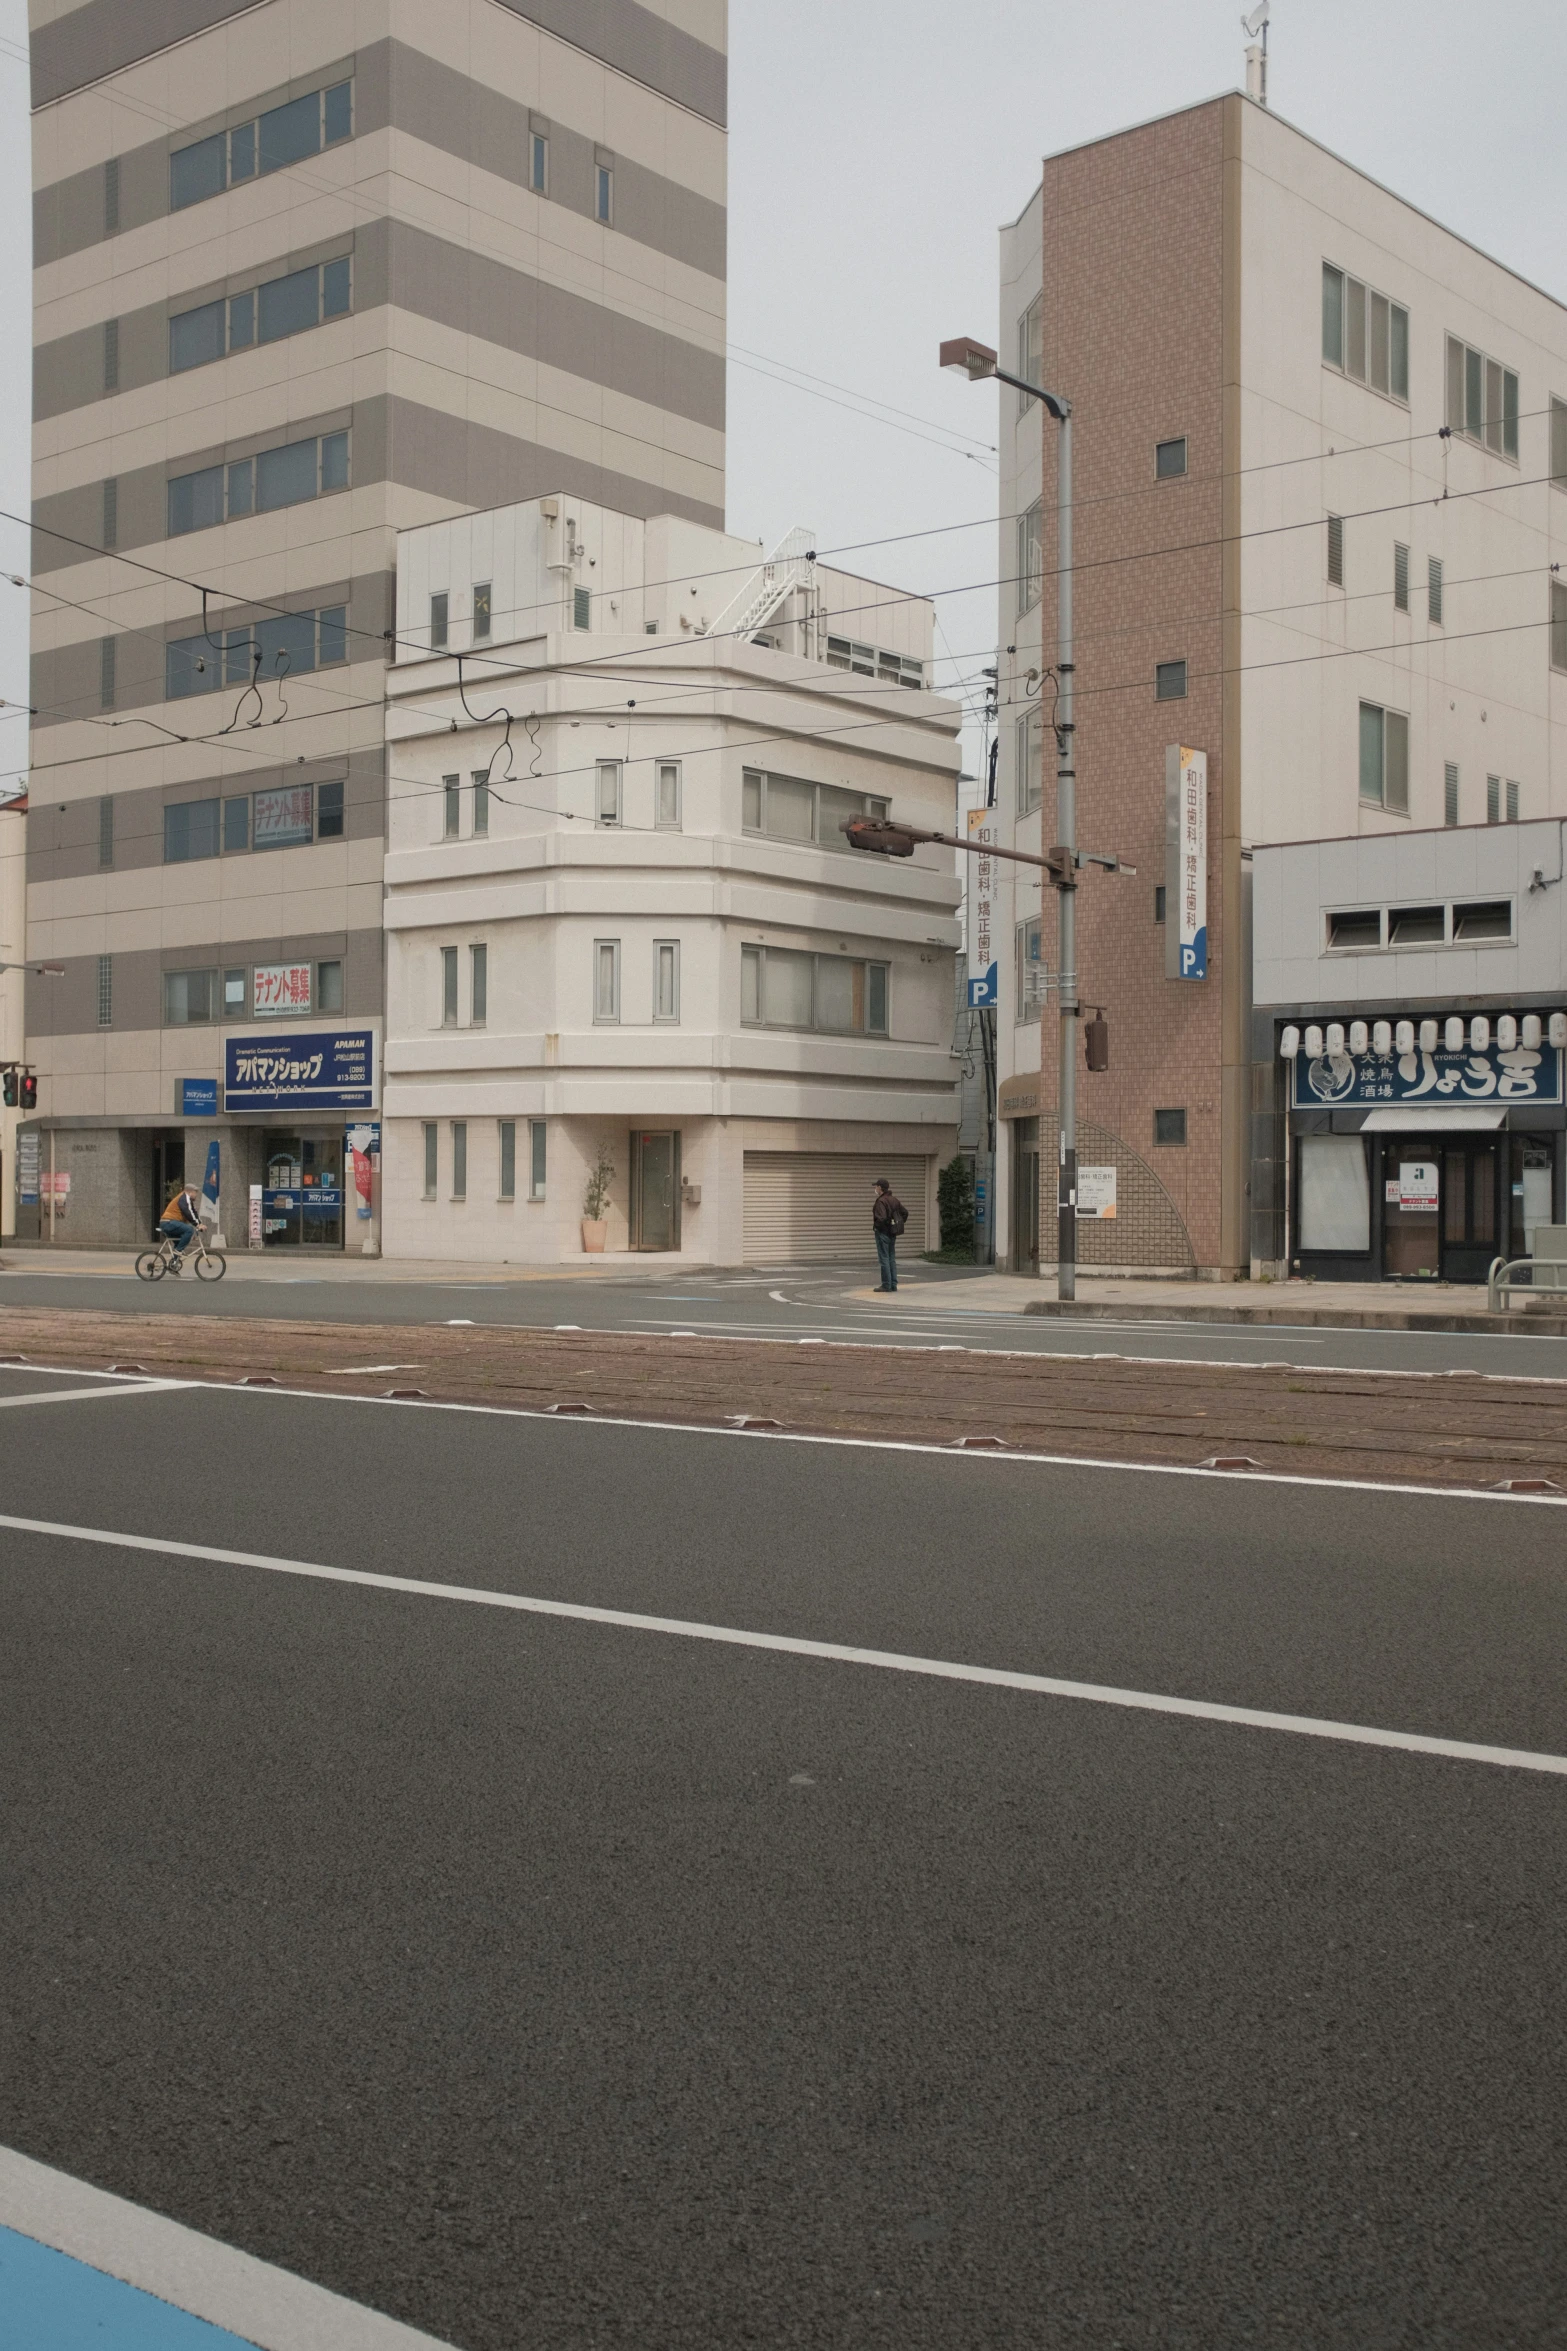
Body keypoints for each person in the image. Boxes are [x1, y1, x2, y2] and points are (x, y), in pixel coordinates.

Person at [872, 1177, 907, 1293]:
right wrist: (896, 1224)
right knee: (891, 1258)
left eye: (876, 1186)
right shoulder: (894, 1200)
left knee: (884, 1259)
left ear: (880, 1188)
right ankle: (893, 1284)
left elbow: (881, 1218)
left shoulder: (881, 1201)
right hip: (892, 1233)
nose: (875, 1188)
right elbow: (905, 1213)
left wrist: (878, 1227)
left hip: (883, 1233)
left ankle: (886, 1284)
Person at [157, 1181, 203, 1270]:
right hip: (167, 1222)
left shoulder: (187, 1200)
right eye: (195, 1193)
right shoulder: (184, 1197)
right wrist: (197, 1225)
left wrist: (200, 1224)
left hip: (170, 1223)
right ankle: (178, 1252)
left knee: (179, 1243)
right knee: (189, 1230)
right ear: (190, 1192)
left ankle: (173, 1264)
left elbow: (193, 1213)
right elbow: (188, 1212)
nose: (196, 1195)